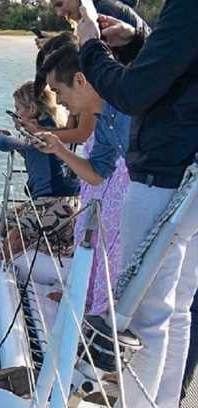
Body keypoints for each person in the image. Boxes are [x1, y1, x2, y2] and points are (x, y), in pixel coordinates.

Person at [71, 0, 198, 408]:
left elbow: (132, 93)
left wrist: (90, 47)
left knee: (146, 309)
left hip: (167, 170)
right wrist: (141, 40)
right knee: (175, 307)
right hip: (189, 174)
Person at [34, 42, 131, 317]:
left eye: (58, 91)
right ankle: (93, 310)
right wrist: (59, 149)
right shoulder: (105, 119)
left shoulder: (128, 112)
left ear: (80, 79)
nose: (59, 100)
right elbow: (97, 174)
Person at [0, 81, 81, 262]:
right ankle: (37, 246)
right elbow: (37, 157)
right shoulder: (51, 127)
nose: (17, 113)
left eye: (18, 108)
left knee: (8, 230)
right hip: (56, 199)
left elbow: (3, 144)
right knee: (2, 224)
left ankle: (33, 254)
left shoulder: (42, 131)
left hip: (53, 201)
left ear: (32, 108)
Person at [50, 0, 149, 64]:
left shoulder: (101, 12)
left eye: (60, 4)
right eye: (56, 9)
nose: (59, 13)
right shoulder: (100, 6)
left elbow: (103, 66)